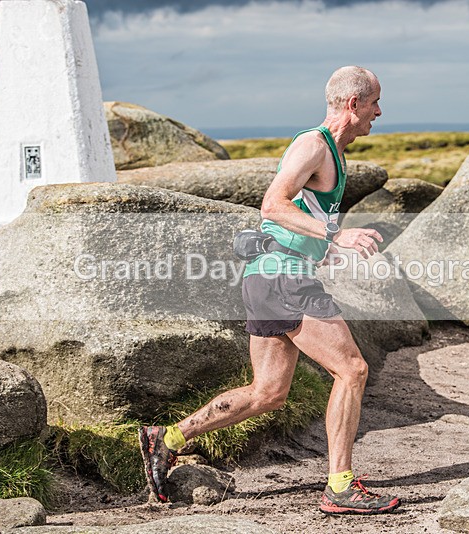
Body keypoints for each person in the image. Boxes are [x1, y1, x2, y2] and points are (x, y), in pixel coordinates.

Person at [138, 66, 400, 515]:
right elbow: (273, 204)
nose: (380, 110)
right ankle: (339, 485)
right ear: (353, 104)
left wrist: (322, 247)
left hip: (272, 273)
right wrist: (336, 236)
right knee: (352, 369)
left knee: (268, 392)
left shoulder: (333, 153)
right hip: (282, 277)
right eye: (375, 101)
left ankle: (169, 437)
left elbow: (293, 217)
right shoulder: (313, 144)